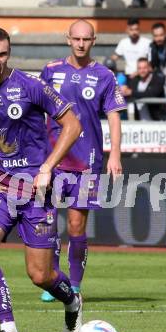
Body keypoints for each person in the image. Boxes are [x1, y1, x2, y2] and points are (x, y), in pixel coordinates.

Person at [0, 26, 83, 332]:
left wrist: (47, 167)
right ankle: (8, 331)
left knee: (40, 276)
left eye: (2, 54)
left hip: (36, 191)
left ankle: (72, 302)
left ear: (9, 53)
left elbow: (73, 124)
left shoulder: (31, 86)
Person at [39, 20, 126, 302]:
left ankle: (74, 285)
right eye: (76, 38)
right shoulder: (51, 71)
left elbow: (113, 115)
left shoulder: (104, 75)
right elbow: (38, 111)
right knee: (48, 223)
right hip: (52, 159)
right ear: (67, 39)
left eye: (86, 39)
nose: (80, 43)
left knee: (76, 225)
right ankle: (54, 281)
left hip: (87, 161)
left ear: (94, 40)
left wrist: (115, 152)